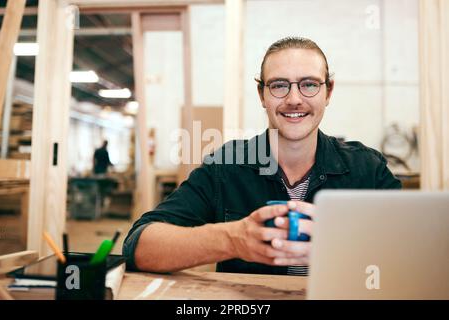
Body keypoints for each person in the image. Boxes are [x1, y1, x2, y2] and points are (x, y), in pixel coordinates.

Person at [123, 37, 401, 276]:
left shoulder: (367, 169)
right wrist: (234, 239)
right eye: (279, 85)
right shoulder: (226, 166)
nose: (294, 99)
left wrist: (346, 246)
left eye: (309, 84)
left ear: (328, 91)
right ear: (262, 94)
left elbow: (419, 249)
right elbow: (139, 247)